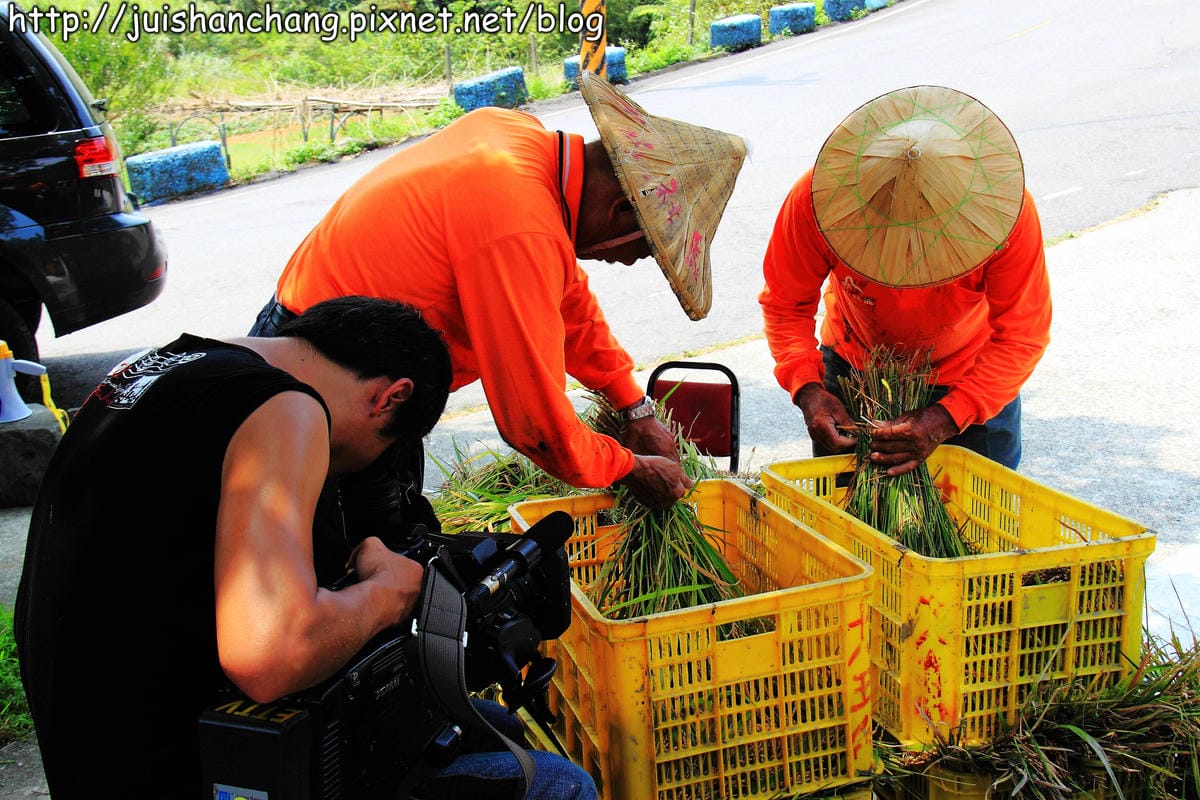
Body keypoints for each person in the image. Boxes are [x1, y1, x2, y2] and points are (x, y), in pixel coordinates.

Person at [14, 297, 596, 800]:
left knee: (486, 723)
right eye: (384, 447)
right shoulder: (284, 409)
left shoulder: (159, 367)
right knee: (557, 783)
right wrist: (390, 595)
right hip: (182, 768)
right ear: (390, 397)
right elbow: (269, 657)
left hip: (92, 750)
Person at [251, 73, 747, 517]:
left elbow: (568, 303)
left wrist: (633, 407)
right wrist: (630, 468)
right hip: (327, 385)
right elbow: (537, 426)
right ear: (620, 209)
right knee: (347, 558)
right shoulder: (520, 230)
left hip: (346, 364)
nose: (627, 262)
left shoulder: (516, 135)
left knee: (394, 540)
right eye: (642, 250)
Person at [759, 85, 1052, 475]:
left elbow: (1021, 335)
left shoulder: (1004, 214)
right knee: (849, 506)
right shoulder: (817, 198)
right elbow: (785, 305)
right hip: (854, 369)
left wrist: (950, 415)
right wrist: (808, 389)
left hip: (969, 378)